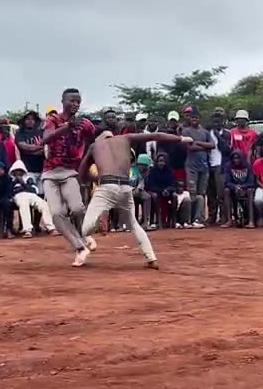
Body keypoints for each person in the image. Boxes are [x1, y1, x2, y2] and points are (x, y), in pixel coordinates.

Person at [75, 129, 193, 269]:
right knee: (134, 224)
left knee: (85, 229)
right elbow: (155, 135)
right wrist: (181, 139)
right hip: (125, 187)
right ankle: (151, 259)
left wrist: (95, 177)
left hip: (106, 187)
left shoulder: (95, 146)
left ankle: (98, 223)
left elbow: (81, 174)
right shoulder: (125, 138)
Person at [42, 88, 96, 252]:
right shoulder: (53, 119)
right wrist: (66, 127)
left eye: (78, 102)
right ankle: (79, 246)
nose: (75, 104)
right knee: (57, 214)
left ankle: (83, 234)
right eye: (72, 101)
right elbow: (46, 138)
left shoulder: (85, 124)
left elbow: (94, 140)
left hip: (70, 172)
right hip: (50, 173)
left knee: (78, 208)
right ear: (63, 101)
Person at [180, 107, 217, 229]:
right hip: (191, 166)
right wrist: (204, 146)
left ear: (199, 119)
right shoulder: (186, 131)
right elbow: (189, 147)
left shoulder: (205, 132)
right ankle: (189, 219)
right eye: (192, 118)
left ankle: (199, 218)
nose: (194, 119)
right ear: (189, 119)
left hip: (204, 166)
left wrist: (198, 143)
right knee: (192, 192)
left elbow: (212, 145)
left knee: (202, 193)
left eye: (196, 118)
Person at [8, 160, 54, 237]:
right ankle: (27, 230)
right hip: (19, 196)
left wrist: (23, 183)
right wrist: (15, 184)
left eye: (20, 170)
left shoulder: (28, 179)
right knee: (24, 205)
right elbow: (9, 192)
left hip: (32, 195)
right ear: (13, 172)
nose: (18, 172)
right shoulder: (10, 180)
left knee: (44, 204)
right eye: (16, 171)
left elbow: (34, 190)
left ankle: (51, 228)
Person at [147, 152, 184, 229]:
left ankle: (174, 220)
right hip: (156, 191)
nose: (161, 163)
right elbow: (151, 185)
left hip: (168, 192)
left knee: (174, 196)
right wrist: (161, 191)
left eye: (163, 161)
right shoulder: (153, 171)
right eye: (159, 161)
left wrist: (167, 190)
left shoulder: (170, 171)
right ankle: (158, 220)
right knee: (154, 196)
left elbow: (173, 184)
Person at [223, 150, 257, 228]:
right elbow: (227, 182)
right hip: (233, 189)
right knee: (226, 191)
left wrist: (242, 187)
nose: (236, 160)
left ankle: (251, 221)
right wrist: (235, 187)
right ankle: (229, 220)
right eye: (234, 158)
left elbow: (251, 182)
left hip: (246, 188)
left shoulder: (248, 166)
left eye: (238, 158)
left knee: (250, 191)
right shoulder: (228, 166)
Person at [14, 111, 46, 188]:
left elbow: (46, 149)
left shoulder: (41, 133)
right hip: (27, 170)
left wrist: (30, 151)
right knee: (30, 191)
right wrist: (41, 148)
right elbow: (24, 147)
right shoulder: (20, 134)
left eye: (32, 119)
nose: (30, 121)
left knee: (41, 195)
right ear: (23, 121)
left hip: (41, 170)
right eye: (28, 119)